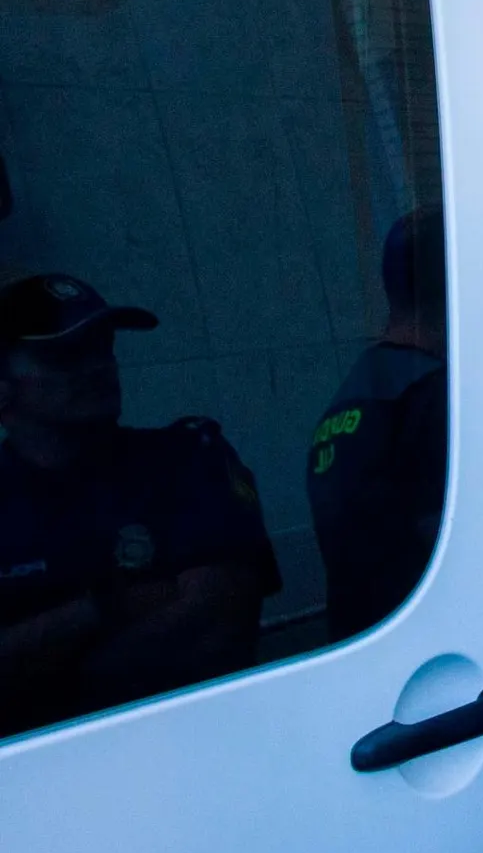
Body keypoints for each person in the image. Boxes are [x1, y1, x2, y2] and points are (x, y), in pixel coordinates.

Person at [0, 274, 279, 739]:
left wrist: (41, 675)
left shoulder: (185, 459)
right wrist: (110, 607)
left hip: (199, 746)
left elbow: (216, 630)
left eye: (102, 347)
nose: (97, 367)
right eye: (63, 354)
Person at [307, 210, 448, 642]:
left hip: (364, 642)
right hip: (426, 645)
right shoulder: (430, 396)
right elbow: (459, 546)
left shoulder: (355, 392)